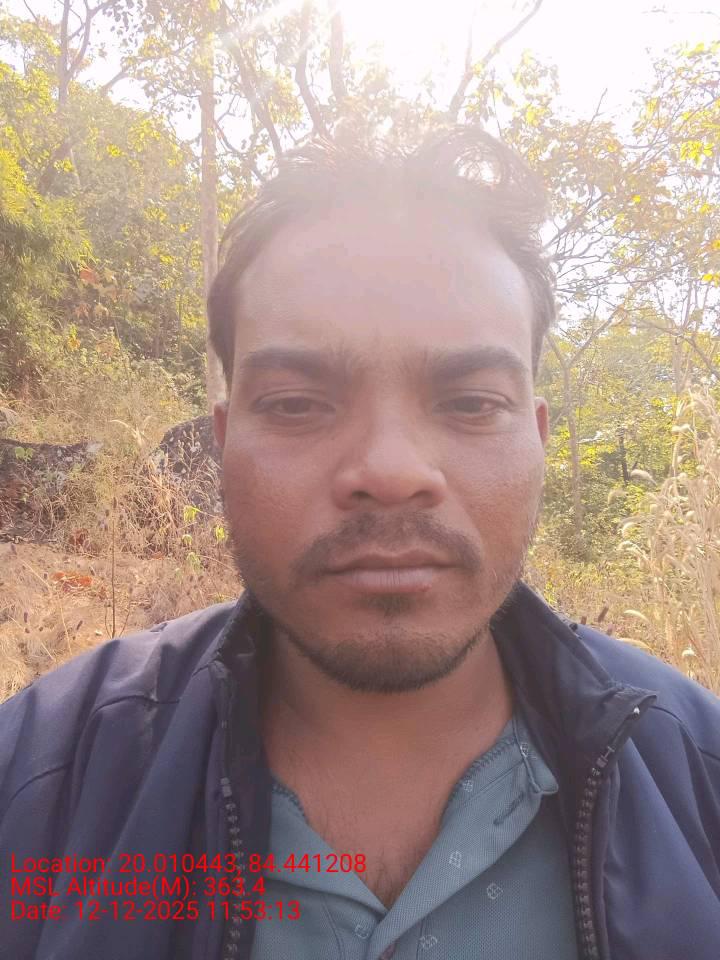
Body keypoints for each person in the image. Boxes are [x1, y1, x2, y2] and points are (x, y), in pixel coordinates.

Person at [1, 127, 719, 960]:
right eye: (297, 403)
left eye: (471, 403)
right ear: (223, 444)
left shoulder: (696, 778)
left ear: (538, 437)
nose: (390, 470)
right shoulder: (37, 780)